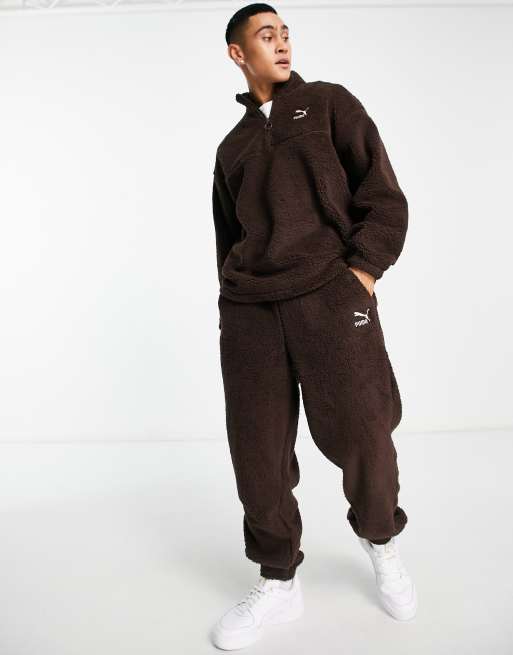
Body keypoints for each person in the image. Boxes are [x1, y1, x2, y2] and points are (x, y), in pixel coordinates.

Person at [210, 3, 417, 649]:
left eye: (285, 34)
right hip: (251, 312)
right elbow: (228, 237)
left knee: (365, 432)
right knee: (257, 451)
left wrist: (362, 272)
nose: (281, 44)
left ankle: (381, 541)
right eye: (265, 35)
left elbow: (382, 194)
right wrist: (231, 303)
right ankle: (277, 579)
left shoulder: (328, 104)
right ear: (237, 53)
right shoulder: (232, 147)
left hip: (329, 296)